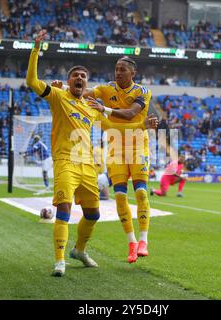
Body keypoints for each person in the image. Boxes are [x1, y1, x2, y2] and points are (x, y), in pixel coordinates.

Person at [26, 29, 158, 276]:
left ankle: (79, 250)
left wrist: (142, 125)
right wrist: (36, 50)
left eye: (83, 76)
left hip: (88, 165)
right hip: (65, 161)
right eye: (75, 75)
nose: (80, 78)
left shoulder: (92, 106)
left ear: (87, 84)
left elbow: (118, 122)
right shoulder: (58, 96)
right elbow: (32, 82)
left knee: (93, 213)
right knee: (64, 208)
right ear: (69, 81)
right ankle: (60, 261)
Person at [52, 56, 153, 264]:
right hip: (115, 146)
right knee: (120, 197)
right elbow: (83, 91)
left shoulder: (142, 91)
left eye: (122, 70)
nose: (118, 73)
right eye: (116, 69)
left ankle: (143, 240)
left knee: (141, 192)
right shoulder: (106, 88)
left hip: (137, 145)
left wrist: (104, 110)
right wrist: (61, 85)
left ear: (132, 73)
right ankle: (132, 243)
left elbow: (130, 113)